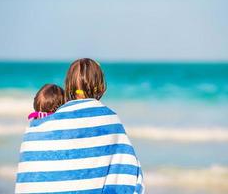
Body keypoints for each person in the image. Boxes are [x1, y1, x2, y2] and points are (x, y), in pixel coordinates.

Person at [15, 58, 144, 194]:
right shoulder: (109, 119)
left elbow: (31, 177)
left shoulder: (41, 128)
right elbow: (128, 172)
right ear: (101, 87)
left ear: (68, 87)